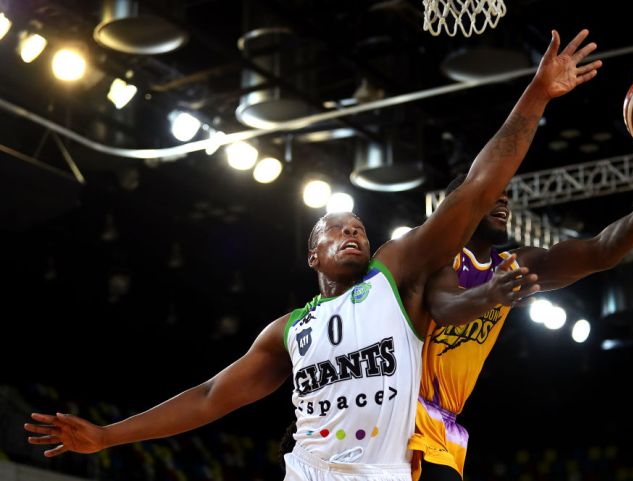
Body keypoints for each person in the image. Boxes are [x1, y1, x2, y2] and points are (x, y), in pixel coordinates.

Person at [24, 29, 601, 481]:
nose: (352, 233)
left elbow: (477, 187)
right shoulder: (288, 331)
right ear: (313, 257)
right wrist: (108, 436)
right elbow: (209, 396)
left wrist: (537, 94)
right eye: (336, 230)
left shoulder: (394, 278)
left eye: (359, 229)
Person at [410, 137, 633, 481]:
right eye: (492, 193)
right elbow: (445, 308)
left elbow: (601, 251)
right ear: (460, 204)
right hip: (405, 410)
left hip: (446, 425)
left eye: (505, 194)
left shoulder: (512, 265)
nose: (504, 199)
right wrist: (491, 294)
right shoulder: (437, 259)